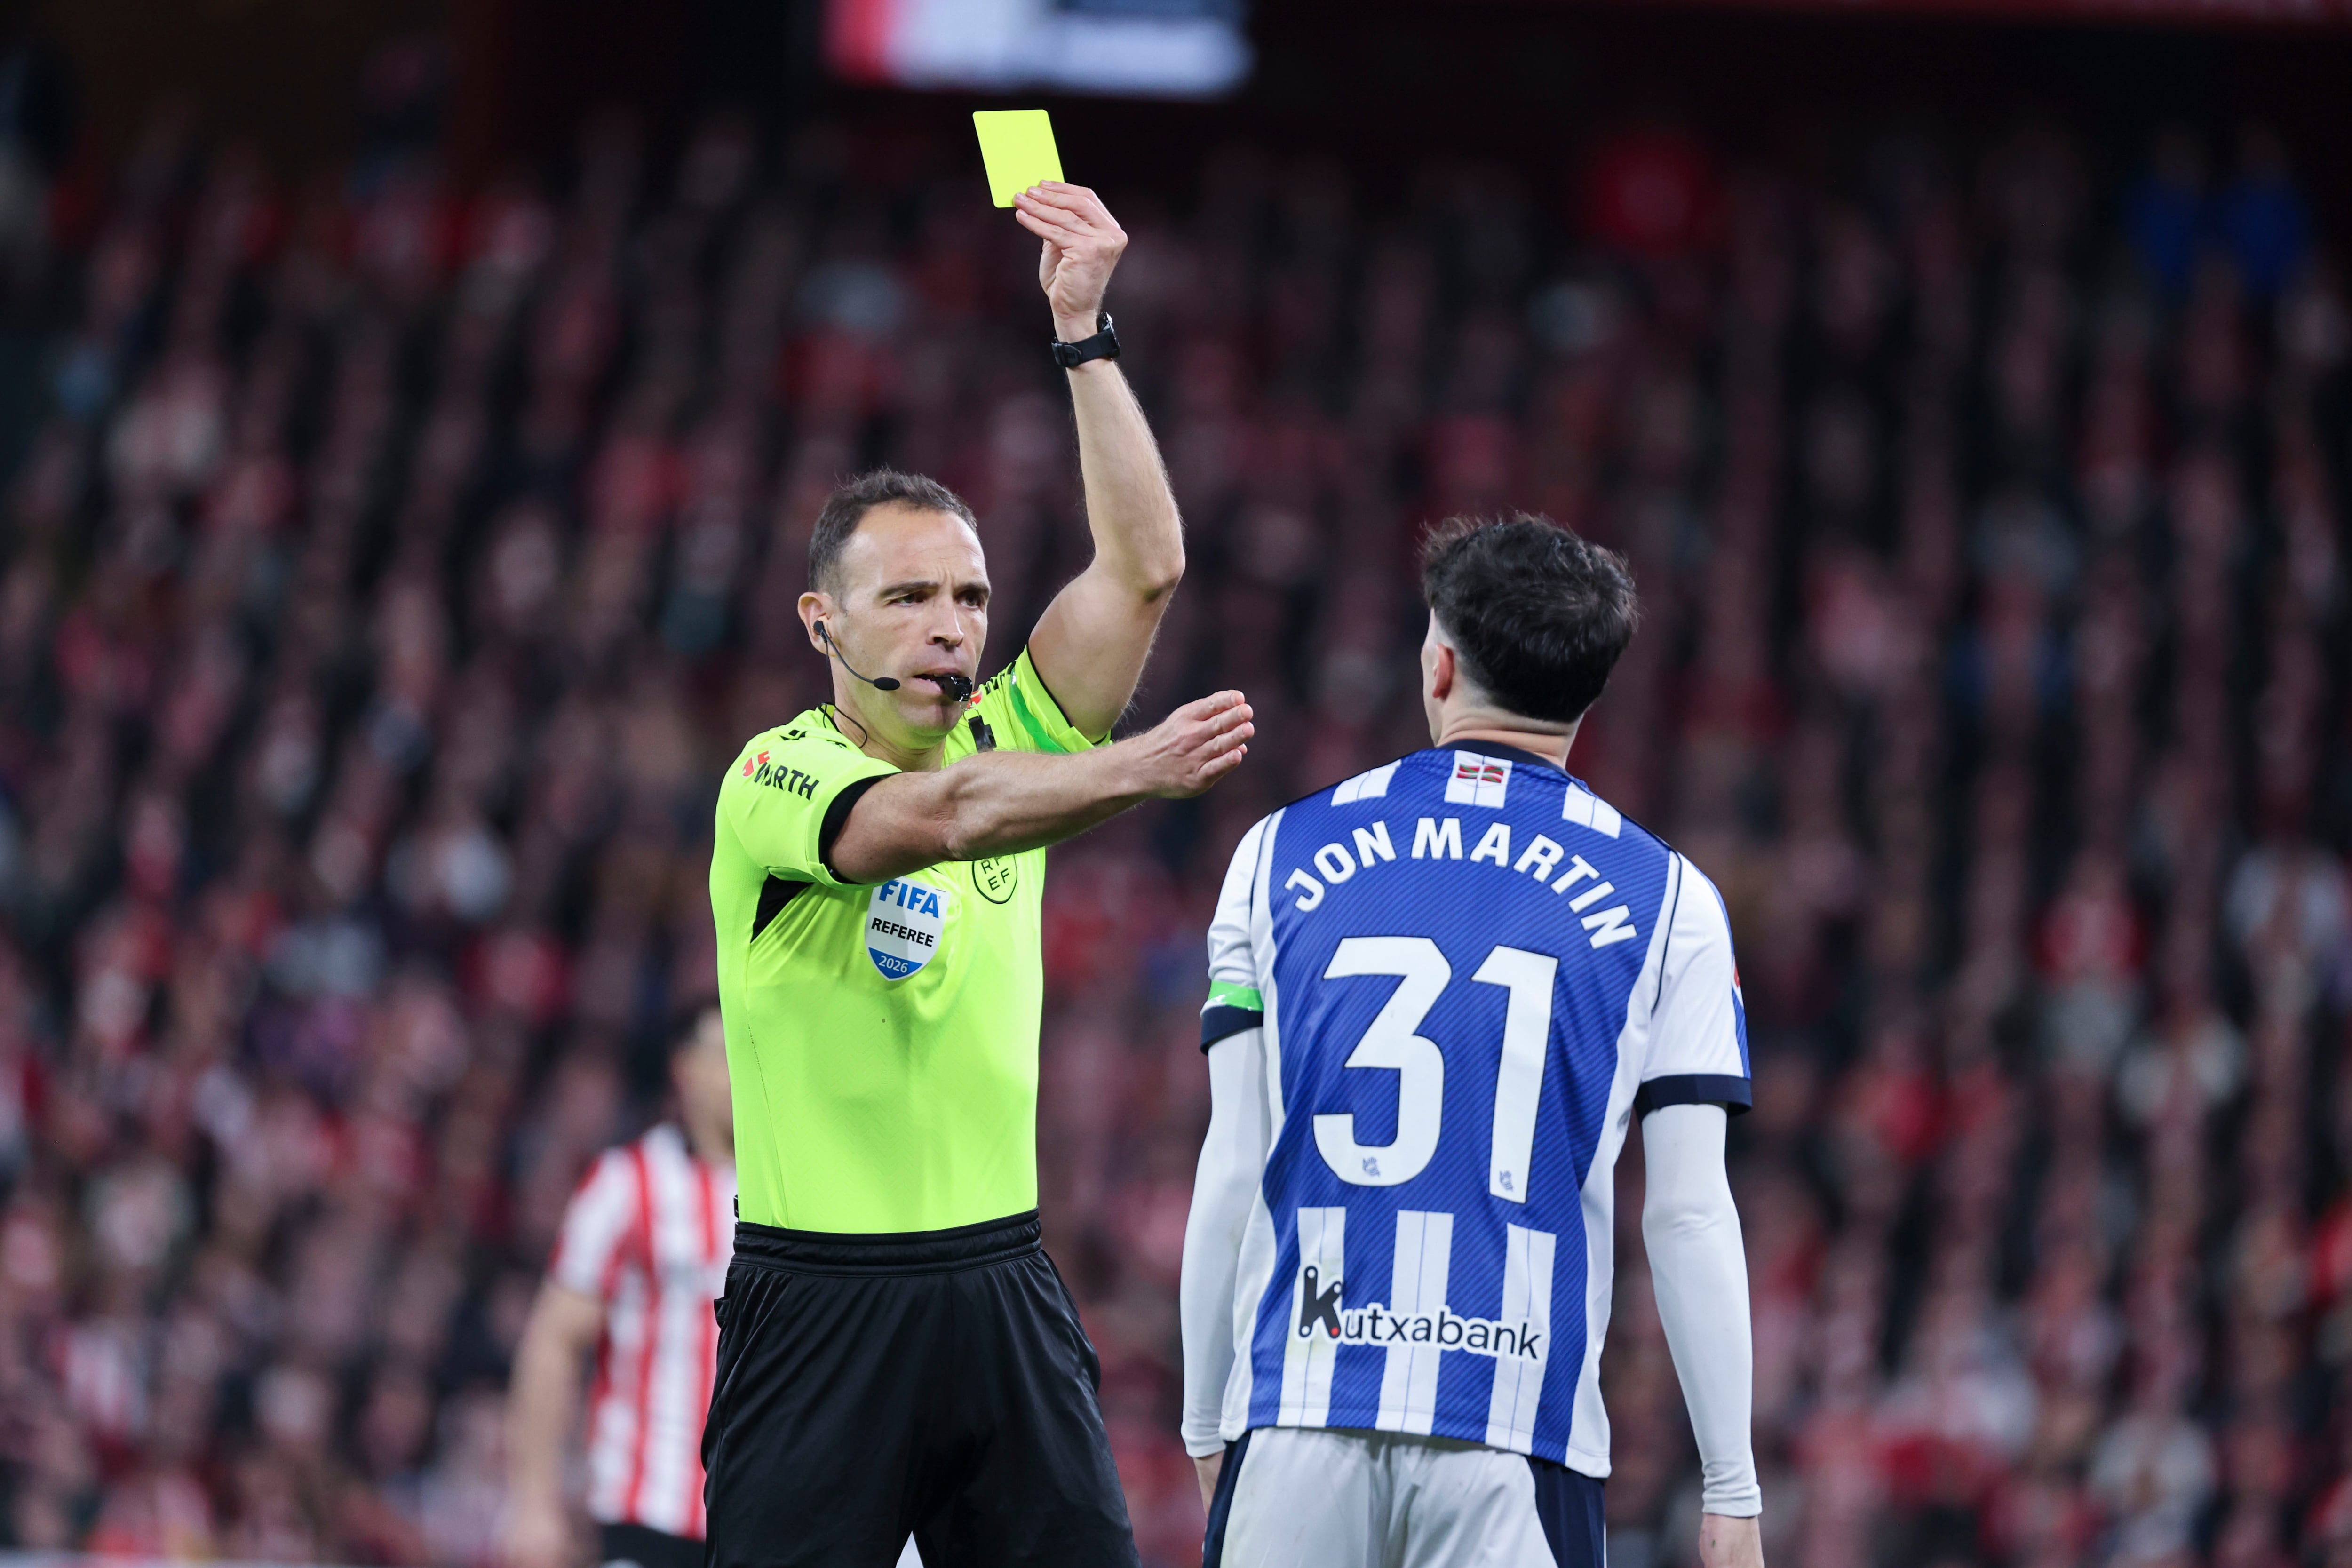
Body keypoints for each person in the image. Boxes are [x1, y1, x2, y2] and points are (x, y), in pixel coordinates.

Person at [701, 181, 1253, 1568]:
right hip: (818, 1307)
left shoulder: (1012, 729)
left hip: (1001, 1279)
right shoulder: (777, 779)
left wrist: (1085, 335)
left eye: (968, 599)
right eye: (908, 599)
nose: (951, 629)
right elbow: (940, 817)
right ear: (822, 620)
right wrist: (1134, 772)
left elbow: (1144, 569)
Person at [1177, 516, 1766, 1568]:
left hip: (1299, 1407)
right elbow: (1685, 1211)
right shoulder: (1669, 901)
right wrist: (1731, 1484)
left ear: (1438, 664)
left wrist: (1202, 1420)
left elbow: (1231, 1168)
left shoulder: (1275, 854)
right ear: (1588, 695)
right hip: (1517, 1437)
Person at [505, 1004, 739, 1568]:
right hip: (646, 1514)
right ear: (685, 1069)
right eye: (725, 1054)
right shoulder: (627, 1185)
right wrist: (533, 1503)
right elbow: (553, 1342)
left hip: (769, 1520)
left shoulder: (794, 1201)